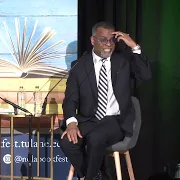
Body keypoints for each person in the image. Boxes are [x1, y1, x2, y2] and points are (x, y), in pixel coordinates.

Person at [59, 21, 151, 180]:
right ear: (92, 40)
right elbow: (71, 99)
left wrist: (133, 46)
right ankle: (97, 175)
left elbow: (145, 75)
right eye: (103, 40)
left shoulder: (123, 61)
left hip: (116, 120)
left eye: (111, 40)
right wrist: (72, 122)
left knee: (96, 137)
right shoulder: (79, 67)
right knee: (67, 142)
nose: (108, 44)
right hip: (90, 119)